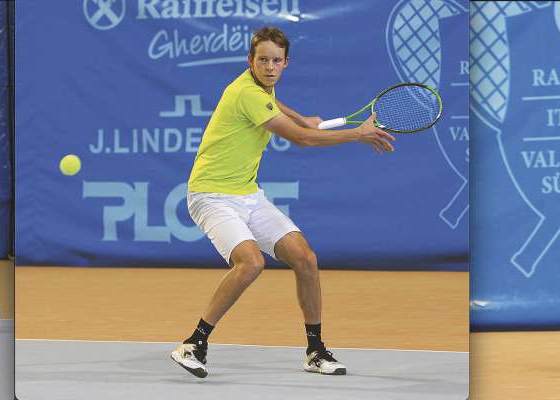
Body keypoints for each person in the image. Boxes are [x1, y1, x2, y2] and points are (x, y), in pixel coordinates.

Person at [169, 26, 396, 378]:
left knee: (305, 258)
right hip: (211, 195)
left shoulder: (260, 87)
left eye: (277, 61)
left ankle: (315, 350)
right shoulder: (245, 93)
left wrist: (299, 115)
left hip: (247, 193)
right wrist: (358, 134)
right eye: (263, 60)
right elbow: (304, 141)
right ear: (250, 61)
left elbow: (274, 103)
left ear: (286, 62)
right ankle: (194, 343)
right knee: (251, 263)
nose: (270, 67)